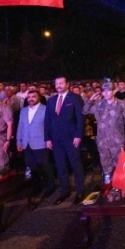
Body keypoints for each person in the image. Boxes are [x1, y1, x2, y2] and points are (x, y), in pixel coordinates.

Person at [45, 77, 86, 205]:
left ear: (67, 84)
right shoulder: (51, 100)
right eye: (57, 83)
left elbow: (80, 118)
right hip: (56, 140)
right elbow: (47, 120)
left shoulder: (75, 98)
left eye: (61, 83)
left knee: (76, 165)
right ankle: (65, 191)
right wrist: (47, 138)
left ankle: (80, 191)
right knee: (61, 166)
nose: (59, 85)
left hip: (71, 138)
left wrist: (79, 135)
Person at [83, 82, 125, 178]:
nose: (105, 93)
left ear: (113, 91)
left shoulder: (121, 104)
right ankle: (109, 188)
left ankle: (120, 189)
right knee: (106, 170)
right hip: (103, 143)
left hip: (117, 143)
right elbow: (85, 111)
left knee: (120, 168)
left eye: (108, 91)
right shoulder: (99, 104)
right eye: (104, 91)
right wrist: (91, 100)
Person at [17, 90, 55, 199]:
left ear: (39, 97)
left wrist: (49, 140)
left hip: (41, 142)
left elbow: (49, 127)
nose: (31, 99)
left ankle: (50, 186)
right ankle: (36, 186)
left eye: (33, 96)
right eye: (29, 97)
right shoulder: (23, 111)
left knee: (45, 165)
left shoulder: (45, 109)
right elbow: (21, 127)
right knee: (32, 166)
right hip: (26, 143)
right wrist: (19, 141)